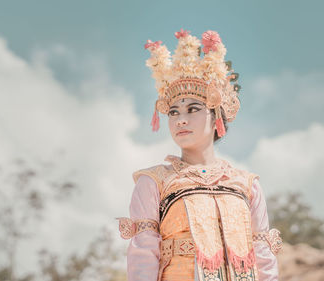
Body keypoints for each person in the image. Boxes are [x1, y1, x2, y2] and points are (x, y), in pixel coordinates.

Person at [116, 29, 282, 281]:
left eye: (192, 109)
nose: (180, 120)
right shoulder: (154, 182)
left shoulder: (247, 186)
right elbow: (143, 253)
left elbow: (263, 256)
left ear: (216, 115)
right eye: (173, 112)